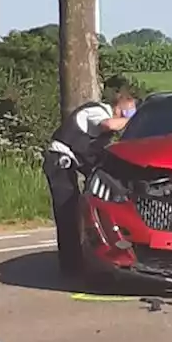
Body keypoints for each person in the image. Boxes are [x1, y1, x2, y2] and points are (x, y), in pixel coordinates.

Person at [42, 87, 137, 277]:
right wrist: (134, 120)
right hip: (60, 160)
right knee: (66, 210)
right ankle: (70, 264)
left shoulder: (102, 135)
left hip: (71, 162)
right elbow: (108, 124)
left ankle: (80, 258)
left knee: (78, 210)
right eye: (128, 112)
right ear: (119, 107)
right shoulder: (97, 111)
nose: (128, 117)